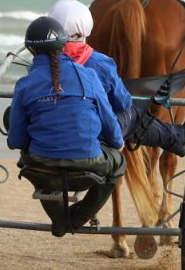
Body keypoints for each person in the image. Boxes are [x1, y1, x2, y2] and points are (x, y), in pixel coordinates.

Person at [7, 16, 126, 235]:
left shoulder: (24, 85)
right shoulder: (88, 75)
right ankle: (78, 218)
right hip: (88, 165)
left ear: (31, 51)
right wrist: (116, 144)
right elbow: (111, 128)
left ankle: (60, 220)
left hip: (42, 169)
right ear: (64, 45)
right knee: (118, 163)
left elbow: (15, 140)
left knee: (37, 157)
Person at [48, 0, 185, 157]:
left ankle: (175, 137)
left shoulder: (40, 64)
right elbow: (123, 101)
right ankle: (174, 137)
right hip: (89, 142)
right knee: (131, 113)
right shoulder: (100, 63)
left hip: (45, 145)